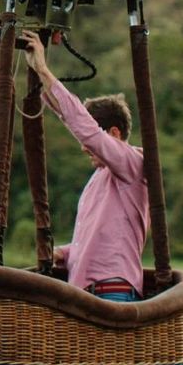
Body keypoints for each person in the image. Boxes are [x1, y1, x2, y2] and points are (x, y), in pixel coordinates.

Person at [20, 30, 148, 301]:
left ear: (114, 134)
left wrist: (44, 69)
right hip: (86, 292)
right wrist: (62, 255)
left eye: (92, 139)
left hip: (112, 291)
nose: (83, 146)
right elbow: (93, 242)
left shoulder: (133, 165)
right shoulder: (98, 180)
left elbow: (85, 129)